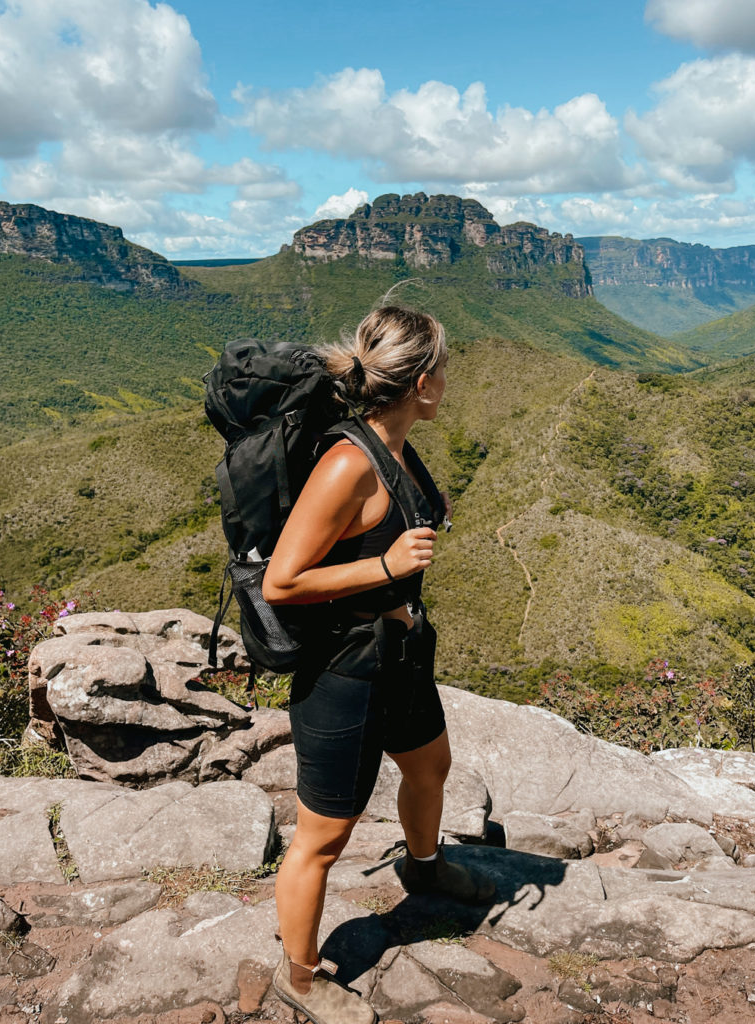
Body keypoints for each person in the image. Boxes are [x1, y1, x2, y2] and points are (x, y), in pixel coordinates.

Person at [262, 306, 494, 1024]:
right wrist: (387, 565)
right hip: (345, 671)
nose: (448, 382)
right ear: (422, 384)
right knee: (322, 837)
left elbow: (384, 527)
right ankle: (298, 979)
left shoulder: (398, 449)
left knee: (429, 768)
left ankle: (422, 869)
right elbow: (281, 580)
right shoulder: (346, 462)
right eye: (444, 372)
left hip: (400, 656)